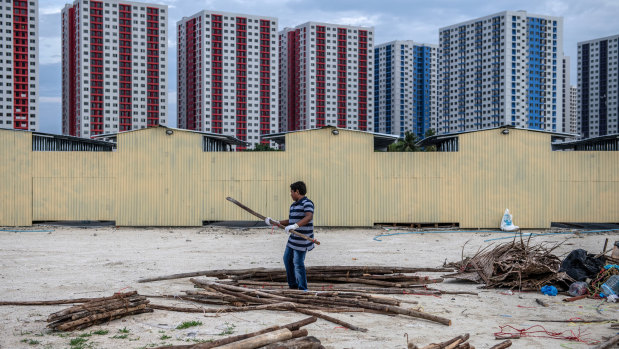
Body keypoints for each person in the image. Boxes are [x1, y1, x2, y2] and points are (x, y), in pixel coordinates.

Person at [265, 181, 314, 291]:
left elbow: (309, 217)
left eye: (291, 192)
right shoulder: (293, 206)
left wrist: (296, 225)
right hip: (293, 239)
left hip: (302, 239)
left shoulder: (307, 203)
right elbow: (290, 221)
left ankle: (303, 289)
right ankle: (293, 285)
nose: (290, 194)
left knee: (298, 263)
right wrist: (275, 222)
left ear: (297, 191)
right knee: (287, 259)